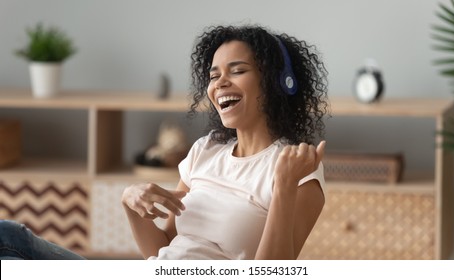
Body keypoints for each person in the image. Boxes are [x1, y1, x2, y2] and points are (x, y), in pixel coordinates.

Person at [0, 24, 328, 260]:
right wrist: (130, 205)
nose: (220, 83)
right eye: (213, 75)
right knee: (9, 237)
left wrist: (284, 186)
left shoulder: (295, 168)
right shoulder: (206, 150)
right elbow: (162, 251)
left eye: (236, 70)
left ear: (275, 83)